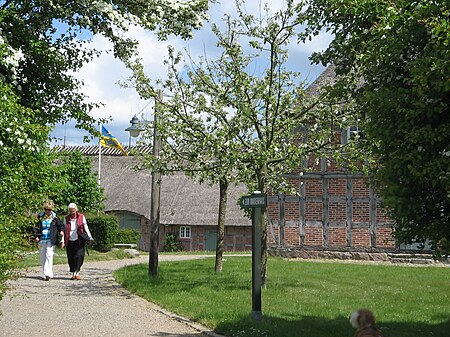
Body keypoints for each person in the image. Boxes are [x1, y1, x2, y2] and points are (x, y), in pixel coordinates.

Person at [33, 200, 65, 281]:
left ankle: (48, 273)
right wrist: (36, 236)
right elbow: (35, 227)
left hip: (51, 239)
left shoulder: (55, 218)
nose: (47, 211)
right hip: (42, 239)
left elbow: (61, 226)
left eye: (49, 210)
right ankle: (44, 273)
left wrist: (61, 231)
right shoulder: (40, 217)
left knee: (49, 255)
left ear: (52, 210)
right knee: (42, 256)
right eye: (46, 209)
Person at [63, 203, 93, 280]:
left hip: (79, 239)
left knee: (79, 256)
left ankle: (77, 271)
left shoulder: (81, 217)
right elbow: (63, 230)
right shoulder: (66, 218)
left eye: (73, 211)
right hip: (69, 240)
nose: (72, 213)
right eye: (70, 211)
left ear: (76, 210)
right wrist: (62, 241)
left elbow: (86, 227)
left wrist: (90, 238)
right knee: (71, 257)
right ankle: (73, 273)